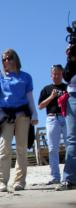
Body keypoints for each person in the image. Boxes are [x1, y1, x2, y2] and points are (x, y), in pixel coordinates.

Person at [0, 49, 39, 192]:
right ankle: (0, 181)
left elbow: (30, 98)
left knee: (21, 148)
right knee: (4, 148)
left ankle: (19, 181)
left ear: (15, 59)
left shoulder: (26, 77)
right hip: (6, 114)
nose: (7, 61)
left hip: (23, 114)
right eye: (4, 59)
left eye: (9, 58)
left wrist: (34, 114)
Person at [38, 64, 68, 185]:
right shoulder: (46, 89)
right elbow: (40, 106)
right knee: (52, 149)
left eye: (59, 73)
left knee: (70, 147)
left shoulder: (68, 87)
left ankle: (69, 176)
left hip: (67, 118)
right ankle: (55, 176)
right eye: (54, 74)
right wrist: (52, 96)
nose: (56, 76)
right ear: (51, 75)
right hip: (52, 118)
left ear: (62, 74)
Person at [56, 43, 76, 190]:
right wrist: (71, 57)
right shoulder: (72, 58)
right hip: (74, 95)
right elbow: (67, 76)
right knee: (73, 138)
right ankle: (69, 179)